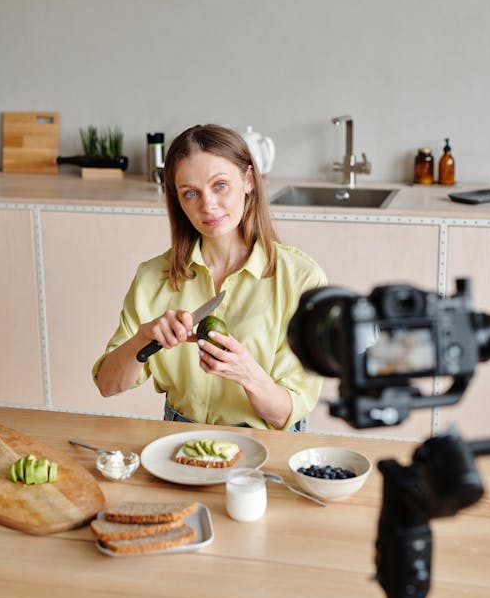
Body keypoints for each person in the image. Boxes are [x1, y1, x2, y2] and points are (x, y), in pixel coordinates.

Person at [93, 124, 327, 430]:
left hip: (266, 443)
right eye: (190, 193)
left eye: (220, 186)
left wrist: (248, 374)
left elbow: (286, 414)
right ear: (178, 200)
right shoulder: (153, 278)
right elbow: (108, 385)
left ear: (248, 181)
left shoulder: (300, 279)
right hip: (180, 436)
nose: (208, 206)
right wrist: (143, 338)